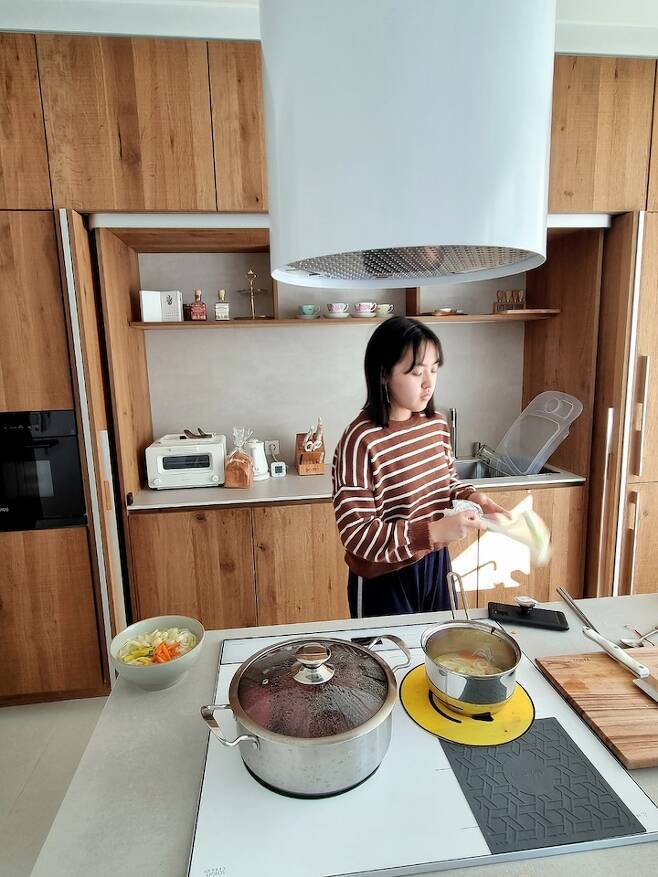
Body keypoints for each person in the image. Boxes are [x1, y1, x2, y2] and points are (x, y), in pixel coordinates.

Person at [332, 315, 508, 618]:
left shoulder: (435, 424)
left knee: (442, 644)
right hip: (383, 577)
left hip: (435, 563)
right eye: (416, 372)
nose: (429, 383)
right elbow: (357, 535)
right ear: (384, 374)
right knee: (390, 650)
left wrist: (475, 498)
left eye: (434, 369)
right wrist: (434, 530)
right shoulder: (360, 440)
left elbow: (447, 485)